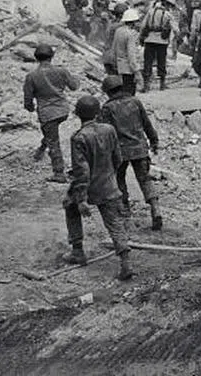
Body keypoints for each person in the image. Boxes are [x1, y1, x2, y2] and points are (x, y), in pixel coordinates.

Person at [62, 95, 134, 281]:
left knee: (70, 206)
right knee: (114, 223)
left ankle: (78, 251)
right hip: (108, 184)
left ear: (78, 114)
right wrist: (110, 175)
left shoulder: (79, 137)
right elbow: (118, 158)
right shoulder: (109, 130)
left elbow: (81, 171)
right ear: (97, 113)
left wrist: (81, 199)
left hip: (89, 186)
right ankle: (125, 262)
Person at [99, 75, 162, 231]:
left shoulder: (107, 108)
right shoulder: (135, 102)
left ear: (108, 92)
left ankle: (126, 215)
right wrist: (154, 140)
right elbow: (147, 124)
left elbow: (105, 132)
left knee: (119, 180)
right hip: (139, 147)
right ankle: (155, 208)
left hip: (120, 151)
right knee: (145, 179)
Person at [23, 43, 80, 182]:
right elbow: (74, 87)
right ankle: (40, 151)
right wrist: (76, 78)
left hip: (47, 113)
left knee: (53, 140)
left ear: (36, 58)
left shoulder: (31, 76)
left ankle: (59, 173)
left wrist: (30, 108)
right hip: (63, 110)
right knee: (50, 133)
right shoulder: (61, 71)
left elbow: (28, 98)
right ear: (51, 57)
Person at [139, 0, 175, 93]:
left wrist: (141, 37)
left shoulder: (151, 11)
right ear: (168, 5)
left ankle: (146, 85)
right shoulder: (168, 14)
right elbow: (175, 28)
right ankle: (162, 84)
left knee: (148, 62)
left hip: (149, 39)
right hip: (162, 41)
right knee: (161, 62)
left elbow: (143, 25)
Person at [112, 8, 144, 95]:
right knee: (129, 93)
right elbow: (131, 55)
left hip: (119, 66)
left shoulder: (118, 31)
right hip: (128, 69)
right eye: (136, 21)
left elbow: (114, 48)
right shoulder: (130, 34)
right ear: (132, 22)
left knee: (123, 91)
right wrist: (137, 71)